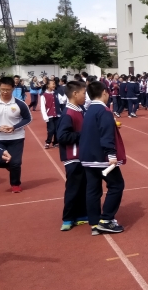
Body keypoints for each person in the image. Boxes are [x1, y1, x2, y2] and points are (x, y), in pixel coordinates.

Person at [80, 81, 126, 235]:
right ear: (105, 92)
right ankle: (106, 219)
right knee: (116, 185)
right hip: (101, 157)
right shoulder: (104, 111)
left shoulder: (89, 109)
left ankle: (94, 222)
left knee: (93, 189)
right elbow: (106, 135)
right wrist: (111, 155)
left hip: (87, 156)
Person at [57, 80, 88, 231]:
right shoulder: (68, 113)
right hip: (73, 157)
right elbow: (62, 136)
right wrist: (83, 134)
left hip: (81, 156)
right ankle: (68, 218)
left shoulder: (78, 109)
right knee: (73, 188)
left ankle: (81, 215)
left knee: (83, 186)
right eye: (83, 93)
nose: (85, 96)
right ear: (75, 94)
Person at [0, 76, 31, 193]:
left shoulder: (20, 104)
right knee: (0, 161)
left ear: (13, 88)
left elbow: (28, 119)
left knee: (16, 163)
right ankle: (8, 165)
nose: (5, 92)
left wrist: (14, 127)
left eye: (8, 90)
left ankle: (15, 184)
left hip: (16, 138)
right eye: (2, 89)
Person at [41, 79, 60, 149]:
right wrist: (45, 117)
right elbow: (43, 107)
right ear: (48, 85)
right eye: (52, 84)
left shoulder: (56, 93)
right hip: (50, 115)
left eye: (54, 84)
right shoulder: (44, 95)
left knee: (57, 129)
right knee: (51, 129)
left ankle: (55, 142)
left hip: (58, 114)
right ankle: (48, 141)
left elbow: (62, 101)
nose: (54, 85)